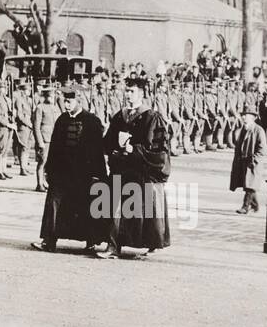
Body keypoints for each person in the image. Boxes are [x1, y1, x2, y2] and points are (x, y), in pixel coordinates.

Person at [98, 83, 171, 259]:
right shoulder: (120, 116)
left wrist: (134, 150)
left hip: (141, 171)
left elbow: (159, 149)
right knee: (114, 208)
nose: (128, 94)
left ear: (142, 94)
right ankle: (113, 247)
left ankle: (147, 242)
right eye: (127, 91)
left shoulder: (152, 117)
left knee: (141, 210)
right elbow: (107, 142)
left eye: (132, 91)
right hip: (121, 169)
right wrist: (115, 149)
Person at [31, 87, 107, 254]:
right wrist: (49, 169)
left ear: (78, 101)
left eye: (69, 101)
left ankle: (91, 242)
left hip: (83, 174)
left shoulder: (92, 121)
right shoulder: (61, 120)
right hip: (62, 173)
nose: (66, 105)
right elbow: (55, 147)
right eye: (64, 101)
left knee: (86, 206)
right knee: (54, 203)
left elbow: (97, 151)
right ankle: (49, 240)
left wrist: (98, 174)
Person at [229, 106, 266, 214]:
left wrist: (254, 160)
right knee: (249, 184)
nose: (243, 117)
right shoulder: (242, 129)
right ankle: (255, 205)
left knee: (250, 185)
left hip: (253, 163)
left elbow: (262, 149)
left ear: (253, 118)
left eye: (246, 115)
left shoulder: (258, 130)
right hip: (242, 161)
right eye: (243, 115)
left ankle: (245, 207)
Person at [32, 85, 59, 192]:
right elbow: (36, 126)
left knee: (50, 162)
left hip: (54, 138)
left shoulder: (55, 108)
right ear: (46, 97)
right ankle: (39, 184)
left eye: (53, 96)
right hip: (45, 138)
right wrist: (40, 142)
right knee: (42, 161)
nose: (52, 98)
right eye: (50, 96)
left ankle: (45, 182)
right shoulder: (40, 108)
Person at [11, 85, 34, 177]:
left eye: (29, 90)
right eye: (27, 90)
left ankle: (25, 167)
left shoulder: (30, 100)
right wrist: (28, 123)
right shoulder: (19, 100)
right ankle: (22, 168)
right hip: (23, 126)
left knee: (28, 147)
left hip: (30, 126)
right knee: (23, 147)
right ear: (23, 91)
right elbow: (19, 115)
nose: (28, 92)